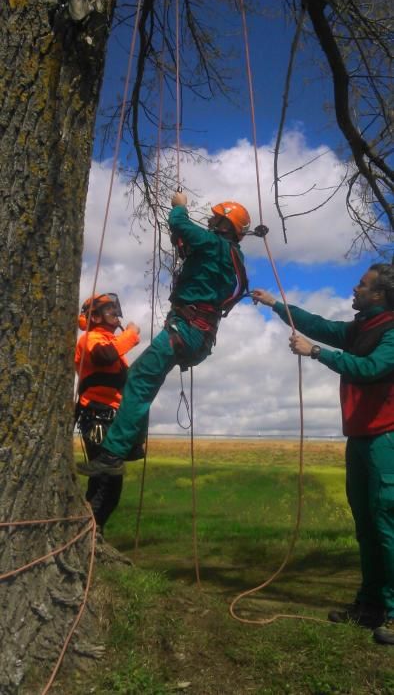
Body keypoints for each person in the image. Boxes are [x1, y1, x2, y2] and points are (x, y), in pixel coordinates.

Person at [252, 263, 394, 645]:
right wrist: (274, 305)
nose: (355, 288)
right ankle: (370, 606)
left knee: (386, 525)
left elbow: (370, 368)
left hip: (387, 440)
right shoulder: (358, 328)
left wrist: (315, 352)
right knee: (366, 527)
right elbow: (315, 322)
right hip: (361, 439)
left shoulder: (391, 331)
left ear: (379, 294)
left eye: (362, 285)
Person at [77, 191, 250, 479]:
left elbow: (181, 224)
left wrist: (179, 207)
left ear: (225, 225)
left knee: (139, 380)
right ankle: (130, 446)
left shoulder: (214, 244)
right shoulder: (231, 257)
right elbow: (196, 259)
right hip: (200, 337)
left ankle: (112, 454)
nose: (209, 220)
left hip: (184, 329)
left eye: (215, 217)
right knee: (143, 380)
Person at [75, 292, 141, 535]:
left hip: (110, 415)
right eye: (109, 310)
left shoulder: (110, 342)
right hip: (97, 416)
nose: (115, 314)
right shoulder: (91, 338)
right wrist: (131, 335)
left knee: (110, 482)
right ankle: (88, 533)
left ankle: (93, 531)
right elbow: (104, 356)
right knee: (105, 480)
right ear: (94, 316)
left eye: (115, 309)